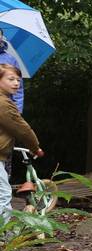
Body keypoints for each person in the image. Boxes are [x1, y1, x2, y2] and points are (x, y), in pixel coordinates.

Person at [0, 64, 42, 224]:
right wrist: (35, 147)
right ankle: (4, 236)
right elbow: (22, 128)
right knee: (3, 194)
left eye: (18, 80)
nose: (16, 83)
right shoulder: (4, 104)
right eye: (10, 79)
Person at [0, 29, 24, 179]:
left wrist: (17, 112)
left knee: (5, 153)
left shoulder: (10, 59)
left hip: (6, 112)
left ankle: (3, 188)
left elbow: (19, 88)